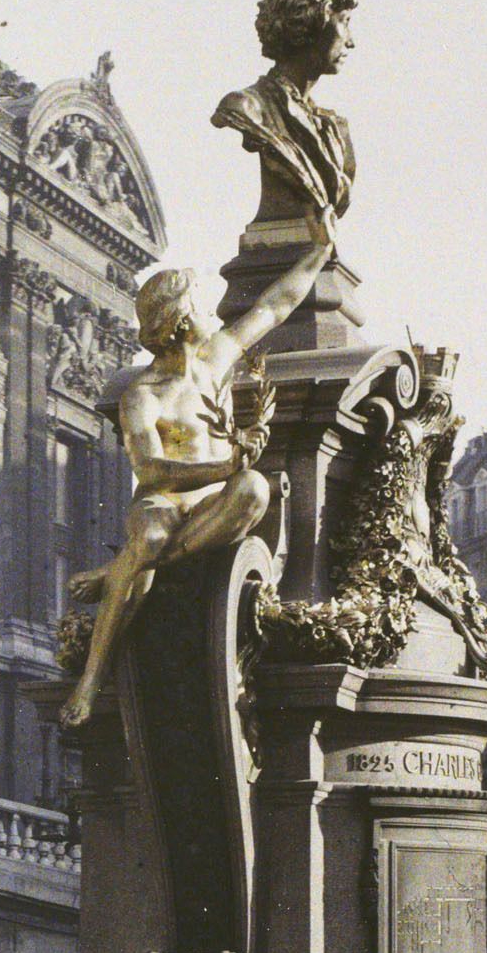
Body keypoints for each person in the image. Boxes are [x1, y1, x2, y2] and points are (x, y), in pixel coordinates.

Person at [58, 209, 334, 728]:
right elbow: (152, 470)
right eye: (201, 307)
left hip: (209, 509)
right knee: (152, 529)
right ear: (182, 320)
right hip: (164, 504)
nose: (212, 314)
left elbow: (275, 306)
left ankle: (121, 573)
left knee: (253, 488)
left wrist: (319, 252)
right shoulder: (143, 395)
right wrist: (225, 462)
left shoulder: (216, 360)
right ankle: (92, 679)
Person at [212, 0, 357, 223]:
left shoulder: (334, 128)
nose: (350, 41)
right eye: (343, 22)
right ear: (312, 23)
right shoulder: (248, 107)